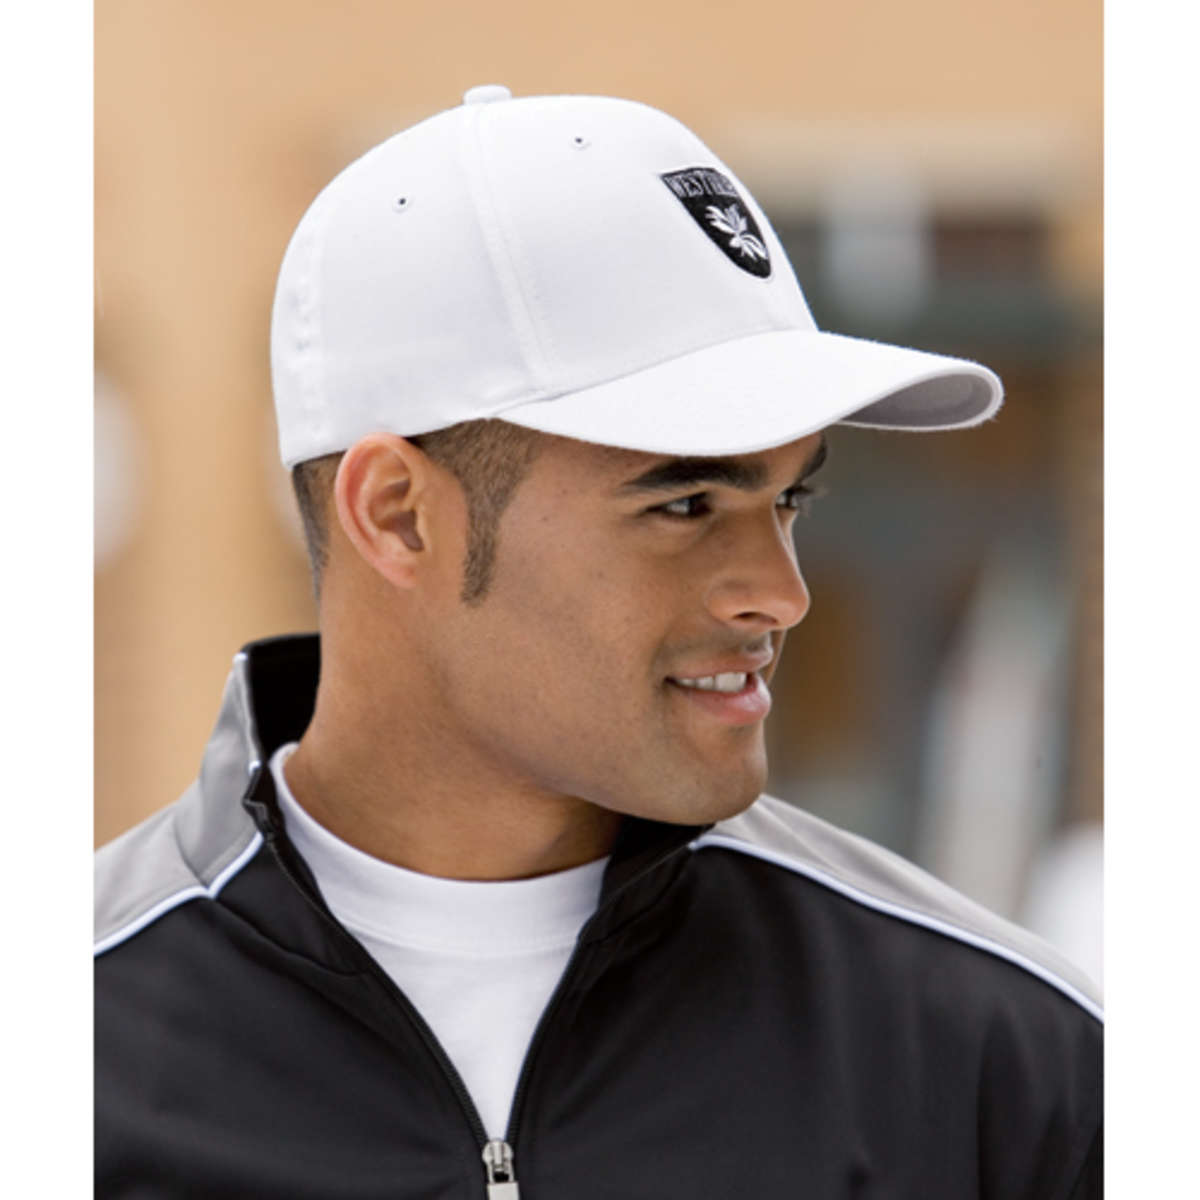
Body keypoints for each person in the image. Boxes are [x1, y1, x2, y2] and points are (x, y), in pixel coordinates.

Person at [94, 86, 1102, 1198]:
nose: (782, 595)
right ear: (398, 515)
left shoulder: (1008, 1069)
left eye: (787, 501)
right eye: (685, 505)